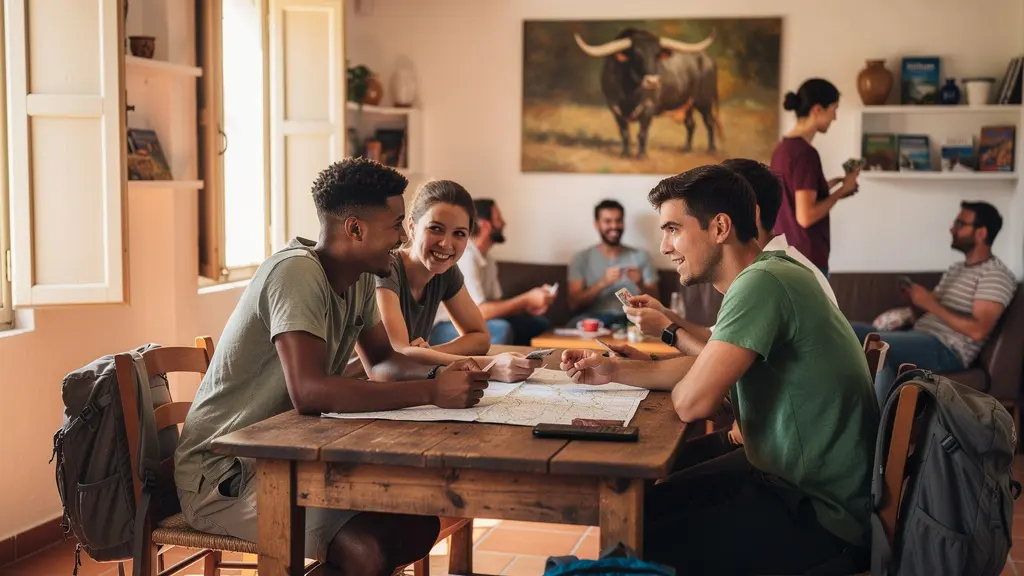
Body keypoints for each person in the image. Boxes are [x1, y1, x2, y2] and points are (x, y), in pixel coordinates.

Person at [174, 158, 491, 576]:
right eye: (396, 225)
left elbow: (382, 363)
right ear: (355, 229)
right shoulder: (296, 274)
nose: (402, 237)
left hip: (289, 459)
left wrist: (442, 375)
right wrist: (432, 393)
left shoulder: (358, 275)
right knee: (368, 550)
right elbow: (310, 393)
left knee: (417, 526)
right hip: (225, 475)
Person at [560, 165, 878, 574]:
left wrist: (685, 375)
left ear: (720, 227)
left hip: (818, 513)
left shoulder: (761, 283)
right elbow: (702, 367)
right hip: (792, 483)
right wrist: (611, 371)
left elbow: (694, 402)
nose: (665, 246)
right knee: (641, 511)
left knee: (639, 532)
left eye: (673, 228)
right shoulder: (769, 272)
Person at [623, 158, 838, 357]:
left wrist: (666, 329)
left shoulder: (767, 279)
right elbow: (717, 343)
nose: (664, 247)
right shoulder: (766, 268)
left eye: (673, 229)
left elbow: (716, 372)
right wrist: (666, 317)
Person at [376, 181, 543, 382]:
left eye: (459, 234)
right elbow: (399, 353)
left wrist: (431, 352)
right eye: (436, 229)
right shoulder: (385, 268)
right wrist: (490, 366)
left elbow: (480, 337)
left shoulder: (446, 271)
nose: (446, 244)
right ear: (412, 226)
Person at [852, 201, 1017, 404]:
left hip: (947, 349)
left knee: (873, 345)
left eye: (959, 224)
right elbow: (932, 310)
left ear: (981, 233)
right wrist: (915, 301)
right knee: (848, 330)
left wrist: (929, 303)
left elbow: (978, 330)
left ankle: (878, 422)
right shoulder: (956, 269)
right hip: (921, 335)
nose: (952, 228)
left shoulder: (995, 274)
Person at [430, 198, 555, 346]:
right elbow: (480, 312)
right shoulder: (466, 257)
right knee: (502, 329)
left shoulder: (488, 259)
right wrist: (526, 299)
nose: (503, 223)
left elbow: (494, 305)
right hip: (445, 327)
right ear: (486, 226)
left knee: (539, 323)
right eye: (498, 219)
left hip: (475, 321)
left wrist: (526, 306)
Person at [772, 78, 860, 277]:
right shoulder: (805, 154)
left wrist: (831, 186)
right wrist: (842, 190)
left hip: (786, 256)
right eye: (833, 109)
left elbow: (794, 197)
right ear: (817, 109)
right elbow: (806, 216)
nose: (835, 117)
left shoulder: (783, 149)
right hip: (806, 260)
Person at [566, 199, 659, 328]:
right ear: (597, 224)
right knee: (574, 323)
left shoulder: (641, 256)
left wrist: (640, 284)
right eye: (608, 221)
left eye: (618, 220)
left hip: (631, 319)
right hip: (594, 320)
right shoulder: (581, 258)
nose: (614, 226)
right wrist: (602, 284)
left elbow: (656, 301)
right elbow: (574, 304)